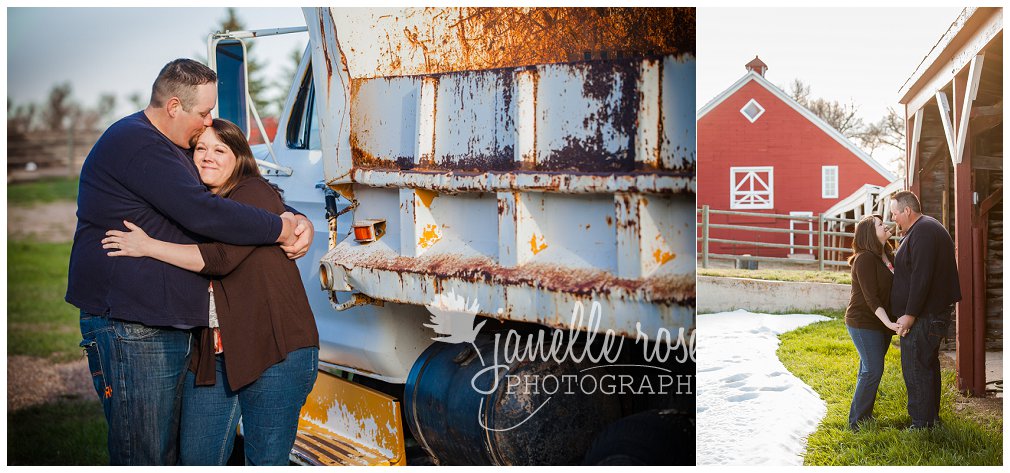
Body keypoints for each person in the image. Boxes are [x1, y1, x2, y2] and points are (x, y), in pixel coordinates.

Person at [67, 58, 313, 465]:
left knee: (166, 453)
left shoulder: (170, 148)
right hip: (132, 326)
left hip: (162, 327)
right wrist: (279, 227)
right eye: (203, 113)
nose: (208, 121)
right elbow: (203, 212)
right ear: (174, 107)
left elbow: (236, 194)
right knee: (144, 454)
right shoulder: (139, 143)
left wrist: (287, 215)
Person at [889, 190, 961, 429]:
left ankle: (921, 424)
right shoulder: (921, 230)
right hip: (927, 314)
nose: (894, 219)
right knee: (926, 366)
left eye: (895, 214)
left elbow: (922, 277)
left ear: (907, 211)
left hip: (925, 316)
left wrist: (909, 315)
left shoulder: (924, 231)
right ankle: (930, 420)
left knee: (916, 367)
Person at [844, 214, 901, 431]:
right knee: (873, 370)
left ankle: (863, 416)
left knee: (868, 369)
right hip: (863, 322)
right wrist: (888, 323)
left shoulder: (886, 255)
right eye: (880, 224)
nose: (885, 225)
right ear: (869, 232)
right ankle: (857, 423)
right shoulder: (865, 258)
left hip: (881, 323)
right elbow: (871, 298)